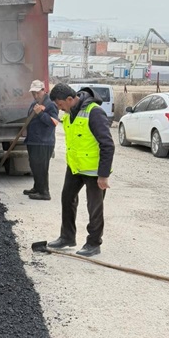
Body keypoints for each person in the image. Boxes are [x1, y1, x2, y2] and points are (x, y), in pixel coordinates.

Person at [47, 83, 115, 257]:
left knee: (94, 207)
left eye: (60, 104)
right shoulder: (70, 113)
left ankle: (93, 243)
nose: (60, 109)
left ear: (70, 99)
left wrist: (103, 175)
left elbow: (107, 144)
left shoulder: (94, 112)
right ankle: (67, 237)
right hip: (75, 167)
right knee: (67, 198)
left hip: (93, 170)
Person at [22, 79, 59, 201]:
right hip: (33, 141)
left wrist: (41, 114)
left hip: (44, 142)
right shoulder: (34, 103)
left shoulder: (50, 104)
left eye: (37, 92)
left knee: (42, 168)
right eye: (33, 93)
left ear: (44, 90)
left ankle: (44, 192)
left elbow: (54, 122)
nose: (35, 95)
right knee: (34, 166)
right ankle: (37, 188)